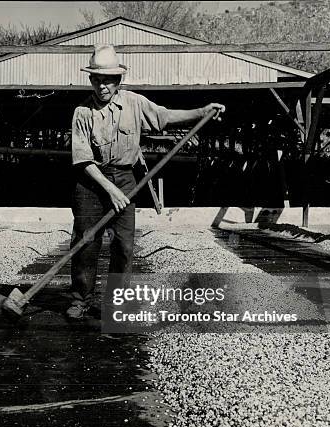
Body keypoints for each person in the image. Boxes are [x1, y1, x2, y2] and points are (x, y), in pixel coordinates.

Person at [66, 44, 225, 319]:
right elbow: (82, 160)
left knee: (124, 245)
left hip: (126, 179)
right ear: (90, 80)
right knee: (85, 242)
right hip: (91, 182)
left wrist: (201, 111)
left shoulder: (135, 103)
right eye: (97, 79)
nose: (102, 86)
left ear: (119, 80)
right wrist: (110, 190)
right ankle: (81, 299)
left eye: (108, 80)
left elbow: (165, 117)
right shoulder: (82, 112)